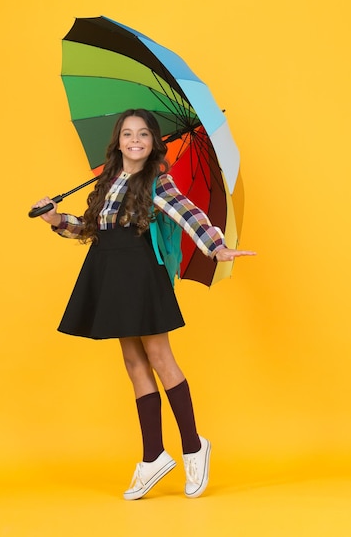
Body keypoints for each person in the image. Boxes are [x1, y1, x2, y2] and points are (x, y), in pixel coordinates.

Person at [32, 108, 255, 500]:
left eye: (143, 135)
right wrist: (55, 219)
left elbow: (190, 214)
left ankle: (193, 445)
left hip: (140, 273)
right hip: (108, 273)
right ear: (117, 141)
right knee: (133, 362)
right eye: (128, 134)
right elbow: (89, 228)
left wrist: (215, 247)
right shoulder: (106, 182)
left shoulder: (158, 181)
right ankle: (153, 455)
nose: (135, 140)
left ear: (154, 144)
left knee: (159, 356)